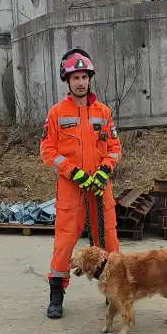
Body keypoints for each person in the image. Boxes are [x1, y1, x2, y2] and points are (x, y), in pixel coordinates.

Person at [40, 48, 122, 319]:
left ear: (90, 79)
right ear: (67, 80)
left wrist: (104, 171)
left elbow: (114, 146)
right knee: (64, 243)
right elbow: (47, 151)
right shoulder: (56, 113)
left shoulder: (104, 112)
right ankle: (56, 295)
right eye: (75, 77)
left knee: (109, 240)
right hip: (71, 190)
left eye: (84, 76)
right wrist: (73, 172)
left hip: (99, 188)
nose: (80, 82)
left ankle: (114, 292)